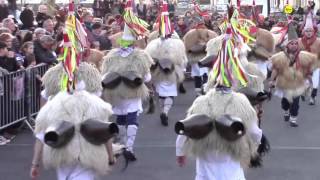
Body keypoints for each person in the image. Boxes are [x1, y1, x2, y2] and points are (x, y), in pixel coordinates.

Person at [175, 26, 263, 180]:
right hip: (231, 155)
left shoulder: (201, 101)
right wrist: (254, 147)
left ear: (212, 80)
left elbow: (186, 131)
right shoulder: (240, 102)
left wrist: (180, 153)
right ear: (232, 80)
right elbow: (255, 132)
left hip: (205, 157)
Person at [101, 0, 153, 161]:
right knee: (132, 118)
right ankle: (129, 146)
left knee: (121, 118)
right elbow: (147, 77)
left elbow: (105, 75)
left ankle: (122, 144)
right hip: (133, 90)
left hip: (117, 91)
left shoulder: (111, 56)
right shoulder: (141, 56)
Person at [145, 1, 187, 126]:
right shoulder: (177, 43)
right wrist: (182, 71)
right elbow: (182, 60)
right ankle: (165, 111)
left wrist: (150, 71)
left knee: (162, 93)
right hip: (172, 72)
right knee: (169, 94)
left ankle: (163, 111)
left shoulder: (153, 44)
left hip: (158, 72)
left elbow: (148, 59)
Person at [269, 22, 316, 127]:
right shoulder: (280, 56)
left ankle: (293, 119)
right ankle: (286, 111)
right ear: (287, 45)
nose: (294, 45)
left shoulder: (303, 56)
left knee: (295, 103)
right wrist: (271, 81)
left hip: (298, 84)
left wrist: (310, 81)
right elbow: (275, 70)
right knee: (285, 103)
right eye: (291, 43)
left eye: (296, 43)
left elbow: (307, 70)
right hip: (284, 83)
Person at [298, 11, 320, 105]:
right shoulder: (299, 41)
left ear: (313, 31)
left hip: (316, 64)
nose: (309, 33)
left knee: (315, 83)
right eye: (307, 31)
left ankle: (313, 97)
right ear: (304, 31)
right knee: (305, 83)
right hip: (304, 65)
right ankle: (305, 91)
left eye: (310, 31)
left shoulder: (318, 41)